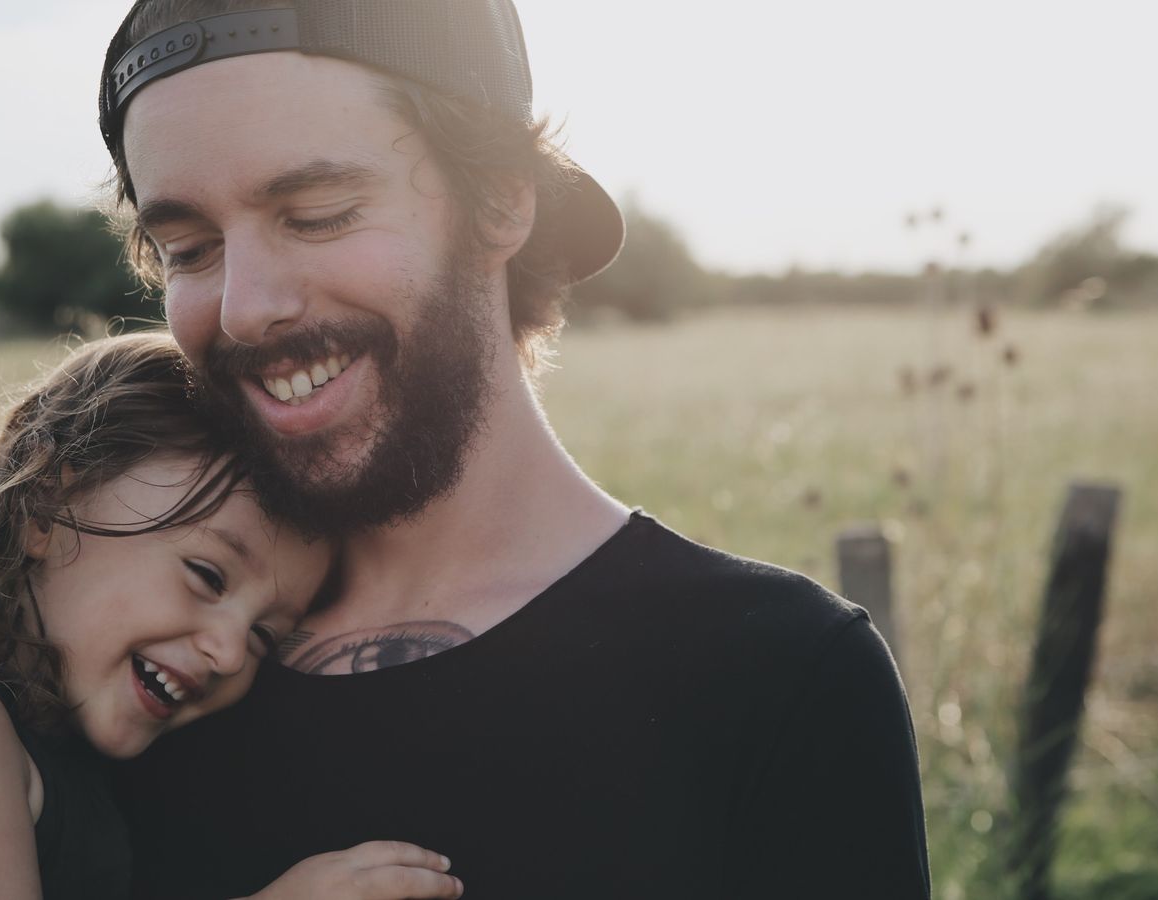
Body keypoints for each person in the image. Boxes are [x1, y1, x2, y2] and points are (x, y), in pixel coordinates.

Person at [102, 1, 933, 897]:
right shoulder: (136, 668)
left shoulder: (777, 678)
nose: (243, 308)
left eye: (318, 214)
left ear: (500, 204)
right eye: (188, 249)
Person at [0, 333, 464, 900]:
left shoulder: (49, 746)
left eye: (262, 635)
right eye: (207, 575)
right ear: (48, 504)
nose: (225, 651)